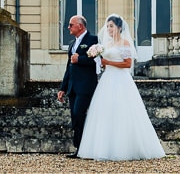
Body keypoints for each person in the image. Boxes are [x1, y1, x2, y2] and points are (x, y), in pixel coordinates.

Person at [77, 14, 165, 161]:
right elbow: (104, 61)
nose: (109, 29)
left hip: (121, 79)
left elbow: (127, 64)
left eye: (111, 26)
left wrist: (108, 62)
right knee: (105, 112)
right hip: (107, 79)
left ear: (118, 27)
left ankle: (127, 147)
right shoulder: (108, 44)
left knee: (124, 111)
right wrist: (99, 60)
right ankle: (104, 146)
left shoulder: (124, 43)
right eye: (108, 26)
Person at [57, 15, 98, 157]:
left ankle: (85, 147)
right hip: (73, 86)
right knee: (75, 117)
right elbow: (69, 67)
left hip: (86, 85)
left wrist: (79, 58)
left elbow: (96, 62)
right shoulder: (71, 44)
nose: (68, 27)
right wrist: (63, 88)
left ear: (80, 26)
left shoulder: (93, 40)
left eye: (71, 24)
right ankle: (79, 148)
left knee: (79, 113)